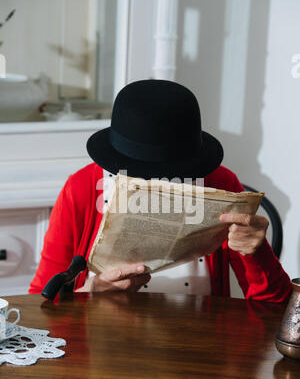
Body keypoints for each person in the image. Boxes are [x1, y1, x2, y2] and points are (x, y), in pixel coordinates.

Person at [29, 80, 292, 302]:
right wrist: (89, 292)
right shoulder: (82, 187)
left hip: (199, 347)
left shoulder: (221, 183)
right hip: (100, 347)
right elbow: (41, 303)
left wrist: (257, 254)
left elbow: (274, 306)